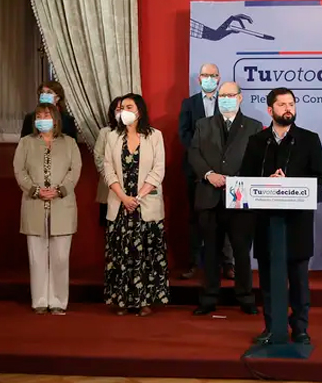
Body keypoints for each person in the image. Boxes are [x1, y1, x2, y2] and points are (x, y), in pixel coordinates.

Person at [239, 88, 322, 346]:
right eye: (282, 104)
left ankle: (300, 327)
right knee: (268, 279)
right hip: (267, 222)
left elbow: (321, 178)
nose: (288, 108)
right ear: (270, 110)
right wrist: (267, 183)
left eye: (291, 104)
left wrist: (290, 183)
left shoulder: (309, 139)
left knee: (298, 279)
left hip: (297, 222)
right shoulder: (258, 141)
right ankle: (272, 327)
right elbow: (245, 178)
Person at [189, 82, 263, 316]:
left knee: (241, 252)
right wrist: (209, 174)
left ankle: (245, 297)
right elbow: (194, 153)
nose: (225, 99)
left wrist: (236, 179)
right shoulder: (203, 125)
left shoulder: (253, 126)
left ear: (240, 98)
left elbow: (257, 158)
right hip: (209, 196)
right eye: (222, 96)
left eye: (230, 95)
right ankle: (209, 297)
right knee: (210, 251)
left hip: (240, 199)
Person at [13, 103, 82, 315]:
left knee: (61, 257)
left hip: (62, 206)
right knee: (37, 256)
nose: (42, 118)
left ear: (55, 119)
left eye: (47, 115)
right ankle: (40, 300)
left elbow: (75, 170)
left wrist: (60, 190)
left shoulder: (69, 143)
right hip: (34, 205)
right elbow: (19, 170)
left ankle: (59, 301)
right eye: (39, 115)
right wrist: (35, 190)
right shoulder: (26, 143)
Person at [103, 93, 169, 316]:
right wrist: (123, 197)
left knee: (146, 255)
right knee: (121, 255)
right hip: (120, 205)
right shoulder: (112, 136)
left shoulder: (155, 136)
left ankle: (144, 301)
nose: (124, 111)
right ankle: (122, 301)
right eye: (121, 108)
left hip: (145, 204)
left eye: (129, 107)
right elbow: (108, 169)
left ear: (139, 111)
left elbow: (158, 169)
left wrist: (138, 197)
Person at [178, 63, 234, 280]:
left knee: (227, 217)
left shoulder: (227, 102)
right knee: (196, 218)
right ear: (199, 79)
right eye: (205, 75)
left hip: (224, 170)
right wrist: (203, 162)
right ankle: (194, 262)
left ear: (218, 78)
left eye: (213, 75)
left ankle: (227, 263)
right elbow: (184, 134)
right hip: (196, 170)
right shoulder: (189, 104)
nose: (209, 78)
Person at [94, 96, 122, 228]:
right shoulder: (105, 132)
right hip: (108, 188)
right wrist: (111, 178)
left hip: (132, 191)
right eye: (118, 109)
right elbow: (98, 157)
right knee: (109, 228)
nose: (121, 112)